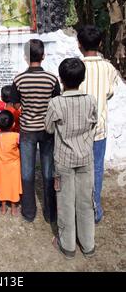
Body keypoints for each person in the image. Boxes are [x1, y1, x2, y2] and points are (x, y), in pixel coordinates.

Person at [45, 58, 97, 259]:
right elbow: (95, 125)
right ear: (83, 78)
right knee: (86, 201)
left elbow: (48, 128)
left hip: (64, 160)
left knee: (65, 202)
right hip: (86, 157)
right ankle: (88, 244)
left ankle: (67, 246)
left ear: (61, 79)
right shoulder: (91, 100)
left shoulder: (56, 102)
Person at [11, 39, 60, 223]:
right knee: (48, 171)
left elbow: (16, 104)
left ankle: (29, 212)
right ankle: (50, 213)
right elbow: (56, 103)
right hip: (47, 130)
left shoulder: (19, 79)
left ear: (25, 57)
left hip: (27, 130)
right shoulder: (52, 79)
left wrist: (26, 108)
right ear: (43, 56)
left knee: (27, 172)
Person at [78, 25, 118, 224]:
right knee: (97, 169)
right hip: (99, 129)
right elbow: (109, 93)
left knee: (78, 170)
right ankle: (95, 210)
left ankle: (78, 210)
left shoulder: (75, 66)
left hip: (77, 131)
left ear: (79, 45)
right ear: (100, 43)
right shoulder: (108, 68)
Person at [0, 110, 22, 216]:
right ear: (13, 124)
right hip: (14, 165)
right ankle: (14, 209)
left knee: (2, 185)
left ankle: (3, 208)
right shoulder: (16, 136)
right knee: (13, 185)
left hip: (0, 166)